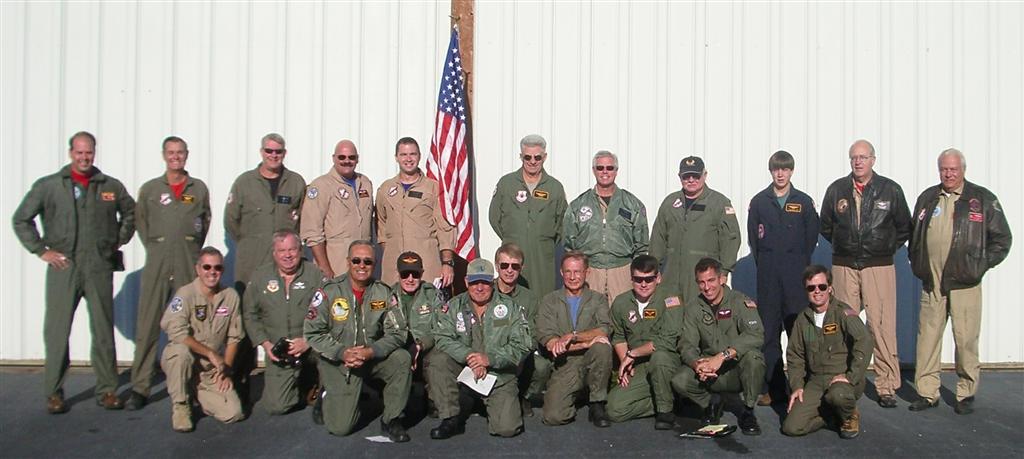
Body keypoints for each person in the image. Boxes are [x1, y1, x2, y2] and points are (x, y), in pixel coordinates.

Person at [12, 131, 136, 413]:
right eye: (79, 152)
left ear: (95, 153)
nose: (84, 157)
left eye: (88, 152)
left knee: (102, 329)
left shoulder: (110, 186)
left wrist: (117, 239)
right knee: (57, 331)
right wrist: (41, 250)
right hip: (64, 266)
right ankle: (53, 393)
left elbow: (131, 213)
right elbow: (21, 219)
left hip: (98, 266)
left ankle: (107, 390)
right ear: (70, 153)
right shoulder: (49, 186)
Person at [907, 148, 1012, 415]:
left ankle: (965, 392)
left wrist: (979, 266)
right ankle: (927, 392)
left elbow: (1002, 239)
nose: (948, 174)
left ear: (963, 169)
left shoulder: (982, 199)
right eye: (944, 169)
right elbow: (914, 235)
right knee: (927, 339)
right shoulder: (928, 198)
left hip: (965, 283)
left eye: (953, 169)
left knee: (965, 340)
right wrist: (919, 264)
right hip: (932, 282)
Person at [819, 139, 912, 408]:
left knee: (881, 326)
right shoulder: (837, 190)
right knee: (844, 325)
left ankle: (886, 386)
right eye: (854, 158)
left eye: (863, 157)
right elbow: (826, 226)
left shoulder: (890, 190)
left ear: (873, 160)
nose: (858, 162)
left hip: (878, 266)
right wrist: (846, 247)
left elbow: (904, 227)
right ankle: (846, 381)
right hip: (845, 265)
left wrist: (882, 248)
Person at [126, 135, 211, 411]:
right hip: (158, 262)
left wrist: (188, 247)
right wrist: (159, 246)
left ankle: (194, 383)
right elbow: (142, 223)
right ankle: (140, 386)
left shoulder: (198, 188)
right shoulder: (151, 189)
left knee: (193, 322)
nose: (176, 157)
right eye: (171, 153)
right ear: (164, 155)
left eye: (180, 152)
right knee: (148, 323)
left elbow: (204, 222)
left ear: (187, 155)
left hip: (187, 261)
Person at [303, 240, 411, 441]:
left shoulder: (383, 292)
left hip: (371, 357)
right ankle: (329, 392)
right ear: (348, 262)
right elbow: (313, 333)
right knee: (340, 427)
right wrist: (342, 352)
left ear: (374, 264)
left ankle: (392, 418)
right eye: (356, 260)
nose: (362, 265)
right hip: (340, 362)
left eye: (367, 262)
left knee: (401, 358)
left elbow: (398, 333)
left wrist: (372, 351)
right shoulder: (329, 291)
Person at [428, 259, 532, 439]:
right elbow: (442, 337)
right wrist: (469, 356)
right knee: (437, 359)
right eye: (475, 282)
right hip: (465, 370)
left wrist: (489, 359)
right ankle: (450, 418)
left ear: (493, 283)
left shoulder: (510, 308)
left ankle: (485, 402)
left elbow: (523, 345)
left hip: (498, 374)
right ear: (466, 282)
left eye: (485, 282)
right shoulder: (454, 306)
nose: (480, 288)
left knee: (507, 429)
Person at [746, 150, 820, 406]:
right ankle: (774, 388)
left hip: (795, 278)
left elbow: (811, 239)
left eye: (785, 169)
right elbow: (754, 240)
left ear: (791, 171)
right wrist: (770, 263)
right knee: (769, 334)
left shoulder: (804, 202)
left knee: (798, 332)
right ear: (771, 171)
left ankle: (804, 387)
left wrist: (795, 262)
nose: (780, 174)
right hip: (768, 278)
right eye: (776, 169)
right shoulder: (759, 202)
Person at [672, 257, 765, 435]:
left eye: (711, 280)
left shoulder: (739, 301)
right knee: (679, 380)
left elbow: (756, 334)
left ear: (722, 279)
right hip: (709, 372)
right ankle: (710, 403)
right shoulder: (693, 307)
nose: (707, 287)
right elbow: (687, 344)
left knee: (754, 359)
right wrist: (697, 364)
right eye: (702, 282)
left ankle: (748, 411)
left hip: (735, 368)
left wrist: (722, 356)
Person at [160, 247, 246, 432]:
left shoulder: (230, 296)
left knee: (233, 413)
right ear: (198, 269)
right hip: (187, 360)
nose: (212, 272)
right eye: (207, 267)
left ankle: (196, 392)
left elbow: (235, 336)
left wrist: (226, 369)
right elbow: (175, 331)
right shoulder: (185, 294)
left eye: (217, 268)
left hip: (208, 369)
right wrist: (211, 354)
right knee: (179, 352)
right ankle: (181, 405)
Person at [782, 265, 872, 439]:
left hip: (841, 379)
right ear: (806, 291)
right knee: (791, 427)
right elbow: (795, 355)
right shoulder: (803, 320)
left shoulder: (842, 313)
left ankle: (849, 415)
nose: (817, 291)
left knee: (838, 395)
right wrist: (797, 386)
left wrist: (851, 376)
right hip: (816, 381)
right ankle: (830, 417)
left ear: (829, 288)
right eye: (811, 288)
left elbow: (865, 340)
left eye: (822, 286)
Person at [242, 230, 323, 417]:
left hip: (311, 344)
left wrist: (307, 341)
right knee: (277, 406)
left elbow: (327, 314)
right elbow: (250, 315)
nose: (287, 255)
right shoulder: (260, 277)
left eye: (292, 250)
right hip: (280, 349)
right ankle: (301, 384)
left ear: (300, 250)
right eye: (282, 251)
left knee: (329, 353)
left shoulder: (315, 275)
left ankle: (319, 383)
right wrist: (265, 344)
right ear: (274, 253)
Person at [534, 251, 613, 427]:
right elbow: (552, 344)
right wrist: (588, 342)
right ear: (561, 272)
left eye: (577, 272)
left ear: (587, 272)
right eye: (568, 272)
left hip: (591, 358)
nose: (572, 277)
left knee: (602, 347)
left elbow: (604, 328)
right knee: (554, 417)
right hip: (565, 363)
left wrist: (575, 336)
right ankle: (578, 392)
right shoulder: (549, 301)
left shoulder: (598, 299)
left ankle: (597, 402)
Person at [604, 255, 684, 430]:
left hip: (668, 362)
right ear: (631, 279)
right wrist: (625, 363)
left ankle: (665, 411)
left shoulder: (671, 298)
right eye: (638, 279)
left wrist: (632, 354)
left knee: (659, 358)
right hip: (640, 365)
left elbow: (667, 340)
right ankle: (670, 399)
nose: (644, 284)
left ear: (658, 278)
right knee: (614, 409)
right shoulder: (621, 302)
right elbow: (618, 337)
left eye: (649, 279)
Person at [650, 156, 740, 303]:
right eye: (686, 176)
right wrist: (653, 271)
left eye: (696, 176)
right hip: (671, 277)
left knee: (701, 313)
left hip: (703, 280)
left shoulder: (718, 203)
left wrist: (724, 271)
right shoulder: (670, 203)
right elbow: (657, 239)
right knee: (671, 313)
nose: (691, 180)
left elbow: (731, 239)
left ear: (705, 175)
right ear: (679, 177)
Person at [563, 150, 649, 304]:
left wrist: (636, 273)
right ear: (593, 170)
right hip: (590, 271)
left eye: (609, 168)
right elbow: (569, 244)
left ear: (616, 171)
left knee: (621, 313)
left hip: (622, 271)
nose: (605, 172)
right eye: (600, 168)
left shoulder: (632, 204)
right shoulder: (578, 205)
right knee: (589, 313)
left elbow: (641, 244)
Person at [488, 134, 568, 295]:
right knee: (511, 295)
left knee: (541, 297)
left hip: (542, 256)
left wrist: (542, 239)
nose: (532, 161)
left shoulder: (554, 187)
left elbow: (563, 223)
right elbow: (494, 217)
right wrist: (513, 236)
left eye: (537, 157)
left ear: (544, 157)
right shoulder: (507, 183)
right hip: (512, 254)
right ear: (521, 157)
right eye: (527, 157)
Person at [225, 133, 306, 287]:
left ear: (284, 153)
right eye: (269, 151)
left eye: (278, 151)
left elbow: (303, 220)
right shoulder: (244, 182)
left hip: (285, 264)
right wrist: (249, 242)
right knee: (249, 299)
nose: (273, 155)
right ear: (262, 152)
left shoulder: (295, 182)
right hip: (251, 261)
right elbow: (230, 220)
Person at [376, 137, 456, 286]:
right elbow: (381, 225)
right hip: (394, 265)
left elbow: (445, 228)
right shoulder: (385, 189)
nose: (408, 159)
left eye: (412, 154)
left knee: (427, 299)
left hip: (426, 263)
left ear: (419, 156)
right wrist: (390, 250)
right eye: (403, 154)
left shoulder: (434, 188)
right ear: (396, 157)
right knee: (392, 298)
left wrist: (447, 263)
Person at [301, 139, 374, 279]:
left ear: (357, 159)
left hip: (363, 266)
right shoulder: (321, 186)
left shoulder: (365, 183)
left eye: (351, 157)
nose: (347, 161)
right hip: (336, 265)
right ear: (333, 158)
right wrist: (325, 267)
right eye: (342, 157)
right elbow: (312, 233)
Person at [388, 251, 445, 414]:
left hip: (425, 348)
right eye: (405, 274)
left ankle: (434, 398)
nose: (410, 279)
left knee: (439, 356)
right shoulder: (387, 295)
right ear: (398, 274)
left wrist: (421, 345)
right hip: (398, 347)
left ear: (422, 273)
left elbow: (442, 328)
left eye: (415, 274)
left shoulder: (432, 295)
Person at [494, 243, 545, 417]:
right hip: (490, 351)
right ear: (497, 267)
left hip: (519, 354)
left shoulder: (529, 298)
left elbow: (533, 332)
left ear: (521, 268)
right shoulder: (485, 291)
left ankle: (524, 396)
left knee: (542, 367)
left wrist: (518, 355)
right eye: (504, 265)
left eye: (515, 266)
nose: (509, 270)